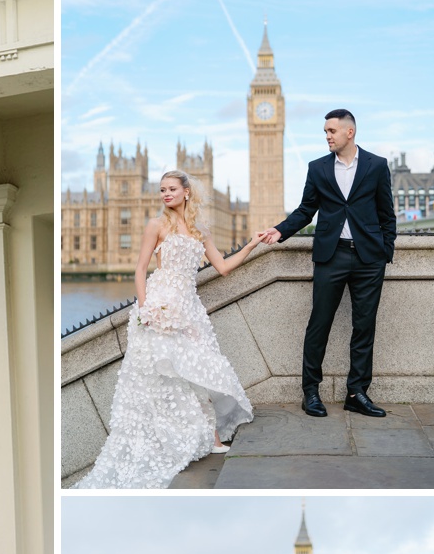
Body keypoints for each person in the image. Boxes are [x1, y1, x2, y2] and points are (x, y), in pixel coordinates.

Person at [77, 169, 264, 488]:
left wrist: (252, 245)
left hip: (189, 306)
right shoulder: (156, 225)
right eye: (162, 189)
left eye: (171, 189)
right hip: (160, 303)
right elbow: (140, 269)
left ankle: (213, 438)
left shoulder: (200, 229)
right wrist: (146, 306)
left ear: (186, 192)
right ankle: (172, 440)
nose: (165, 194)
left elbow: (222, 267)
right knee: (162, 376)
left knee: (198, 368)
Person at [261, 109, 397, 418]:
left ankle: (357, 393)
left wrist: (384, 252)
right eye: (325, 131)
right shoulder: (318, 168)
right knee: (318, 324)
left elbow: (386, 214)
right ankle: (311, 392)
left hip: (368, 258)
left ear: (350, 132)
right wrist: (280, 230)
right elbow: (306, 209)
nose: (327, 136)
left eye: (332, 131)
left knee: (364, 327)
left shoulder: (377, 166)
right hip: (330, 255)